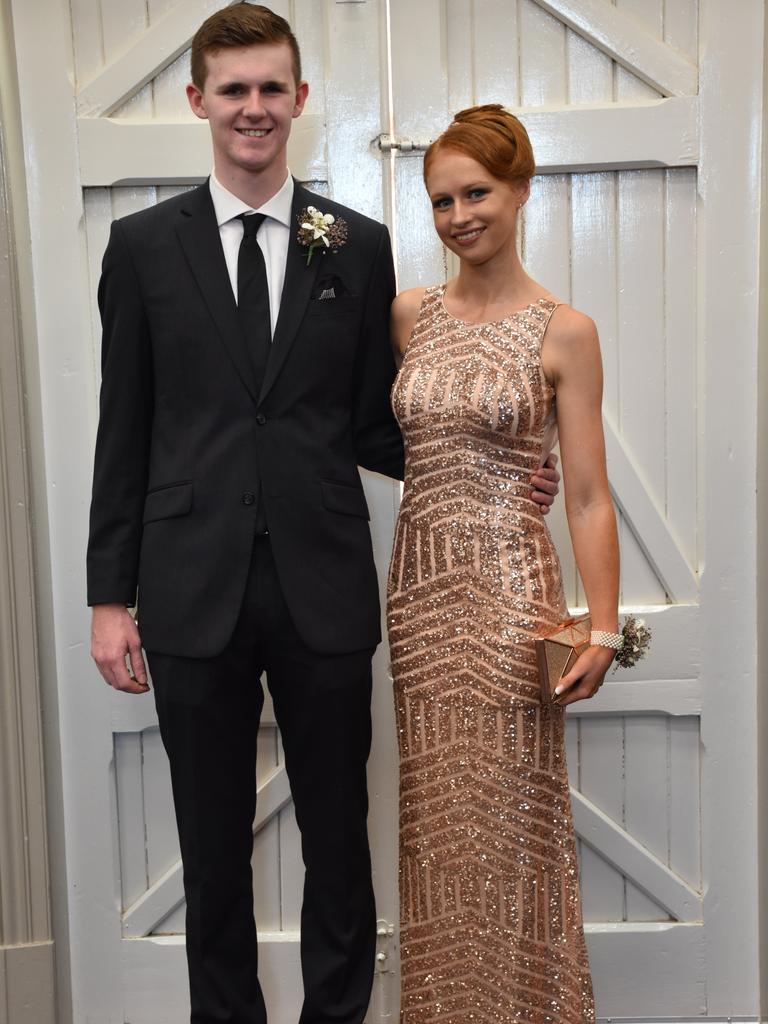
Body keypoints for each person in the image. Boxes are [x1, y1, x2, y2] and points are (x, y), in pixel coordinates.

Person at [87, 5, 560, 1021]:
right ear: (199, 102)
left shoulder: (357, 243)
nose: (253, 108)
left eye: (271, 89)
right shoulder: (139, 249)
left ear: (299, 101)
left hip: (325, 590)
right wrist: (107, 598)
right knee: (211, 851)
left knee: (339, 844)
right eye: (233, 90)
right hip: (187, 591)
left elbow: (376, 424)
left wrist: (496, 466)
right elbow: (120, 431)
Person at [387, 104, 621, 1023]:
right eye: (441, 200)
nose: (458, 217)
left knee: (512, 827)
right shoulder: (409, 315)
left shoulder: (567, 330)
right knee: (439, 834)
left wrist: (601, 628)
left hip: (511, 600)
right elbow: (381, 434)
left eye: (476, 193)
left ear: (521, 191)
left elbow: (590, 495)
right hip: (417, 600)